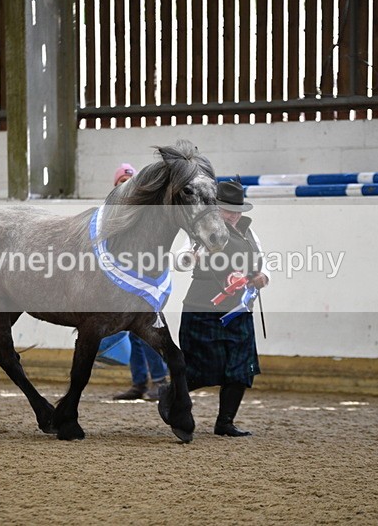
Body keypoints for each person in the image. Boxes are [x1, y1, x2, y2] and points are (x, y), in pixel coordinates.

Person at [177, 179, 270, 436]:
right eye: (229, 210)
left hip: (239, 311)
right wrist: (190, 258)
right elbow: (180, 260)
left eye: (237, 210)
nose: (234, 215)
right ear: (216, 209)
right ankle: (172, 393)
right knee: (202, 368)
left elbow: (263, 263)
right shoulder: (202, 232)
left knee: (240, 369)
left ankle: (225, 422)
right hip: (202, 309)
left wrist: (263, 277)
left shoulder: (250, 234)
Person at [104, 163, 170, 401]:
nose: (126, 188)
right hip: (122, 281)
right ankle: (140, 382)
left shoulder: (145, 213)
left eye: (129, 183)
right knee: (132, 333)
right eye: (122, 183)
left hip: (144, 281)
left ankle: (160, 381)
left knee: (147, 332)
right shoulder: (110, 213)